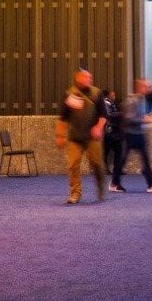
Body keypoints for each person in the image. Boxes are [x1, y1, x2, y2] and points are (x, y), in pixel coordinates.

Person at [55, 68, 107, 204]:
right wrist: (60, 136)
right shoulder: (70, 94)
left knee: (97, 163)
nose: (89, 80)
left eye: (90, 77)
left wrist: (98, 127)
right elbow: (63, 118)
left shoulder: (97, 93)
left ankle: (101, 186)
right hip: (74, 137)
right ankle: (75, 193)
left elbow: (103, 115)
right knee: (73, 165)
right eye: (85, 77)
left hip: (92, 137)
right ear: (77, 78)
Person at [109, 79, 152, 193]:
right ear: (139, 87)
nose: (149, 89)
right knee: (122, 160)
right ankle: (115, 183)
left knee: (144, 160)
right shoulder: (131, 100)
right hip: (129, 135)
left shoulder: (142, 99)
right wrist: (145, 120)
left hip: (138, 134)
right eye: (147, 86)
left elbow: (139, 116)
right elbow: (129, 118)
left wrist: (147, 118)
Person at [102, 90, 123, 175]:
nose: (114, 97)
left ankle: (116, 169)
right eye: (112, 95)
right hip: (109, 130)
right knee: (107, 151)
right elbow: (109, 115)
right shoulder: (106, 103)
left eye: (114, 95)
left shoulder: (112, 103)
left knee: (118, 150)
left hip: (114, 130)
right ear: (108, 95)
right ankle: (105, 169)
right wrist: (121, 114)